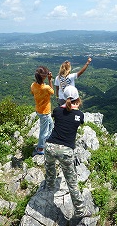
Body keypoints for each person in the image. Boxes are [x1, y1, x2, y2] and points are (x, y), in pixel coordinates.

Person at [44, 85, 92, 218]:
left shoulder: (57, 111)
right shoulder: (79, 115)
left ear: (63, 98)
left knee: (50, 167)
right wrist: (75, 108)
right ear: (78, 99)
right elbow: (78, 118)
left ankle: (49, 185)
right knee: (71, 182)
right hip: (65, 151)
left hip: (50, 147)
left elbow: (60, 112)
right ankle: (80, 210)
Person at [30, 66, 54, 155]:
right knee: (44, 131)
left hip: (39, 110)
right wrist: (50, 79)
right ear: (44, 77)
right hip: (45, 112)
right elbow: (52, 92)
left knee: (51, 125)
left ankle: (47, 141)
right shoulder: (46, 87)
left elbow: (33, 93)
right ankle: (40, 148)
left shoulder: (33, 85)